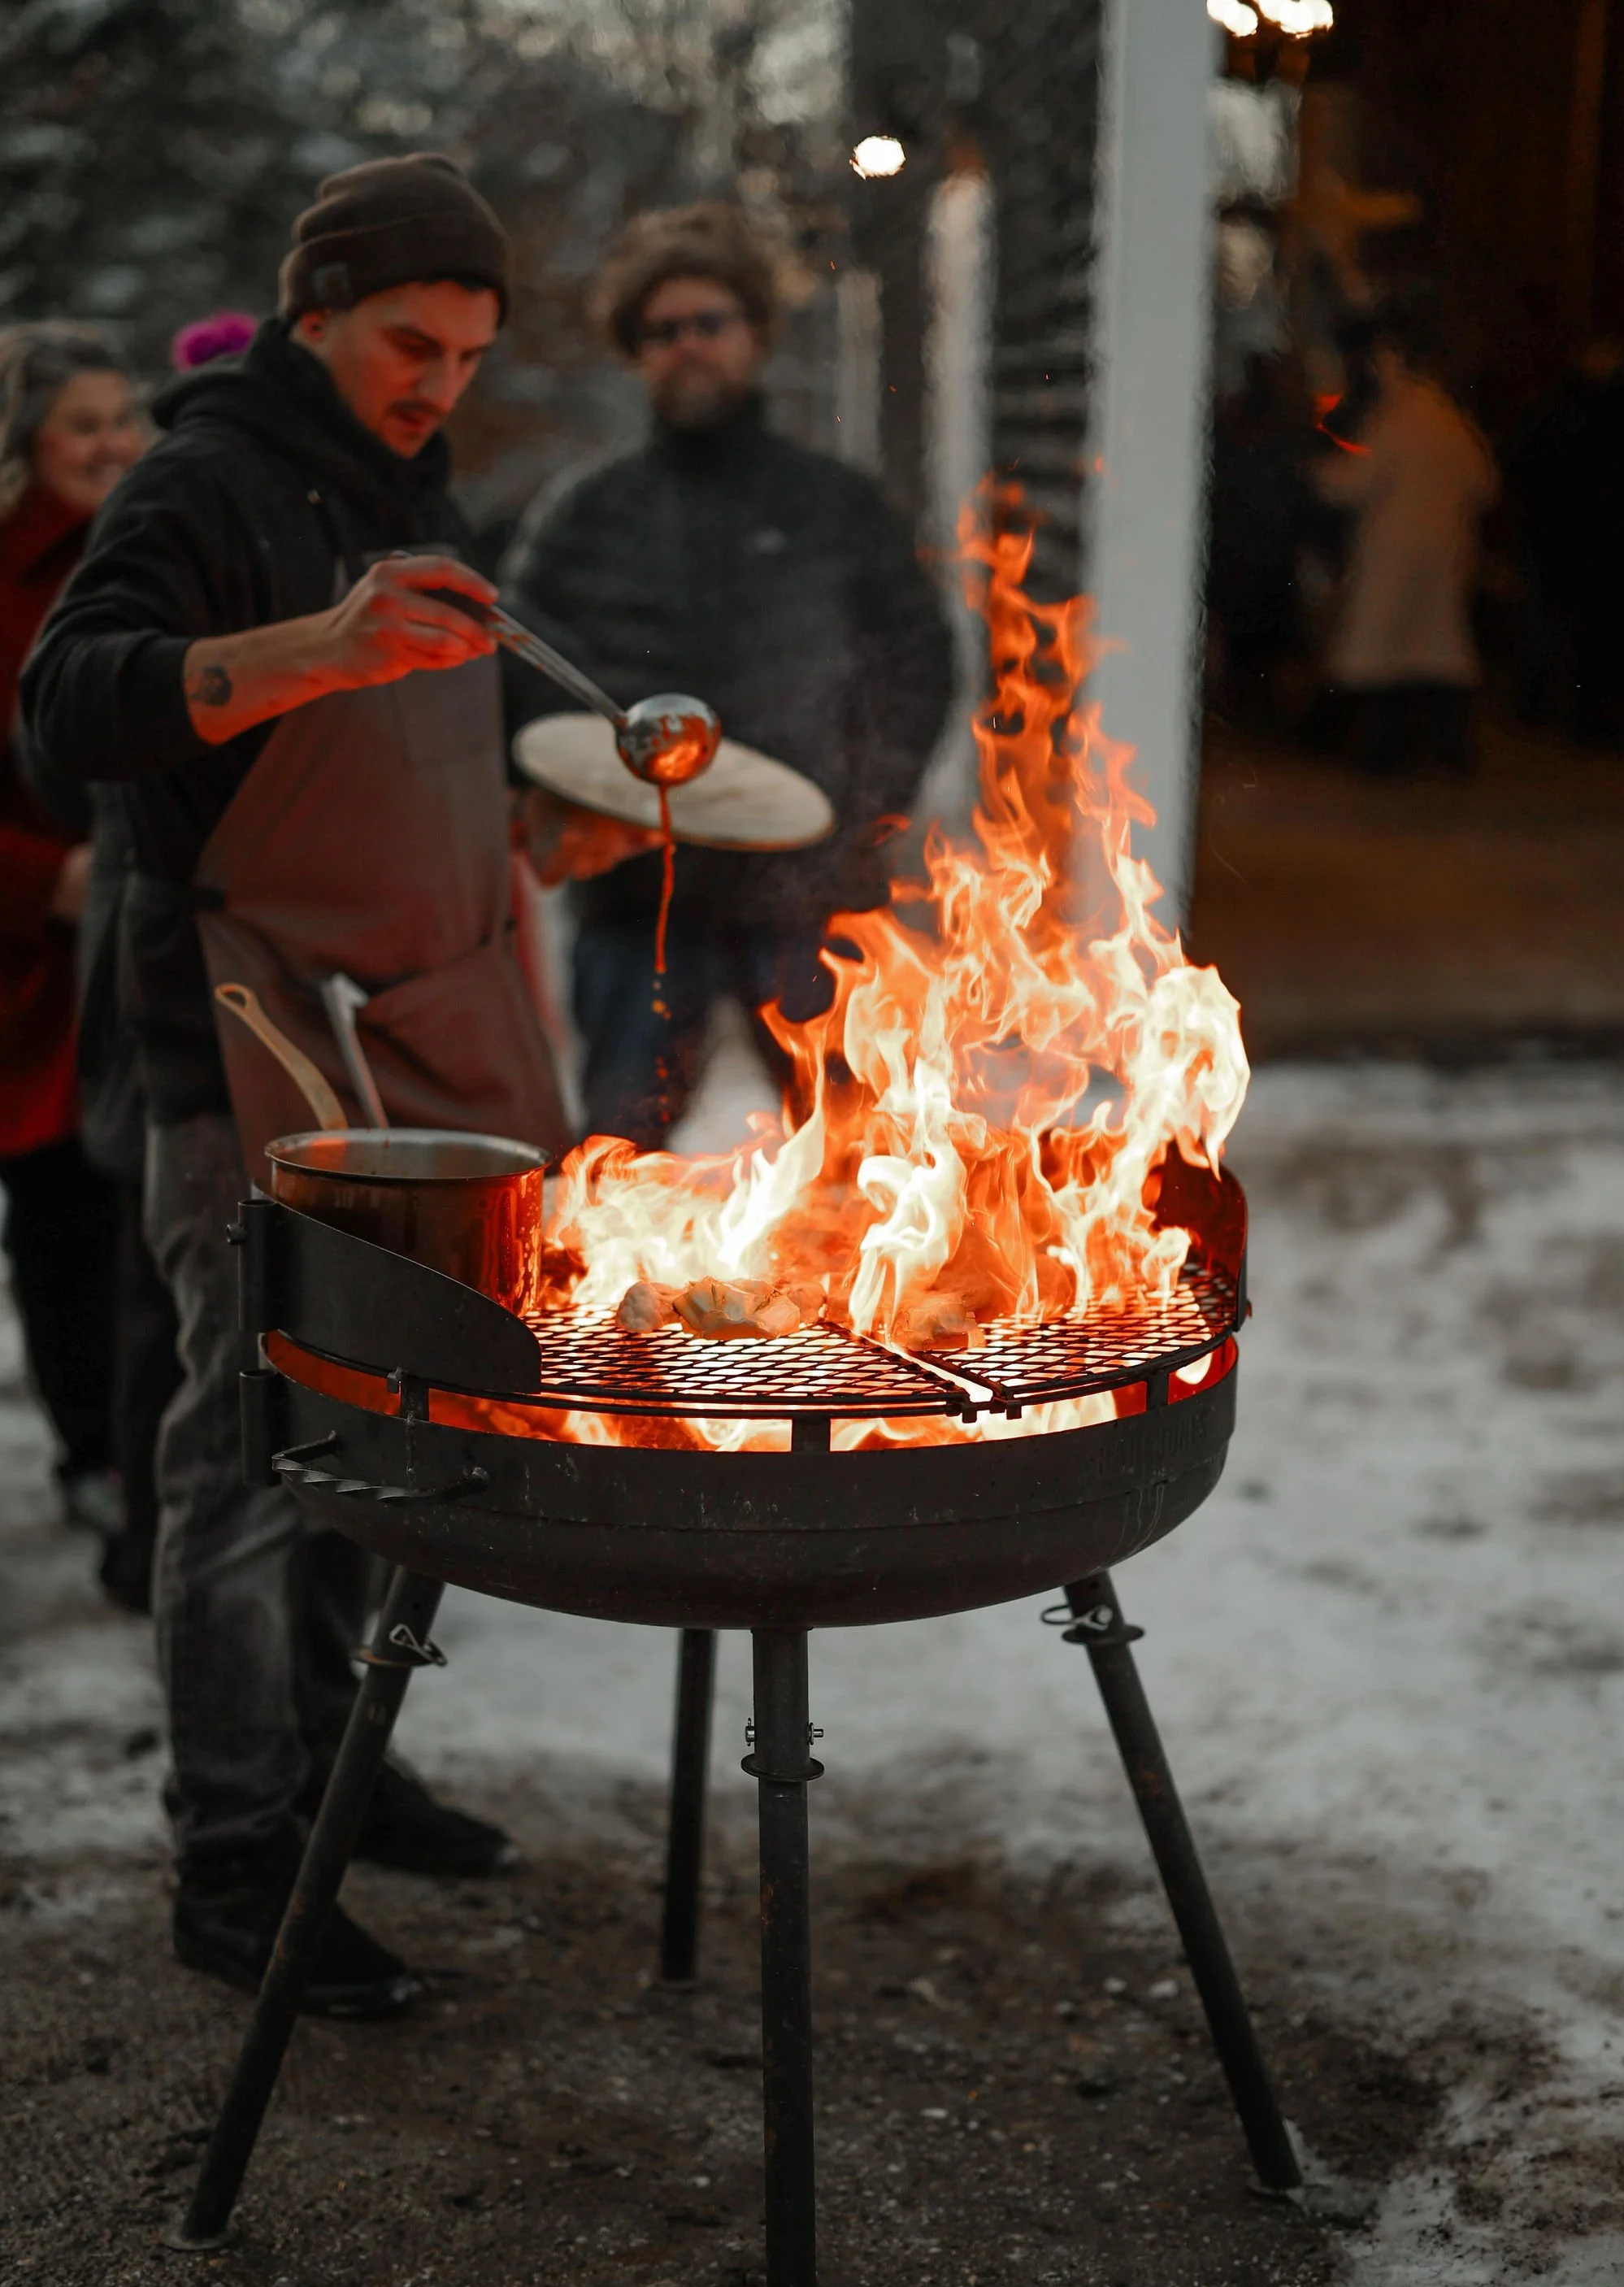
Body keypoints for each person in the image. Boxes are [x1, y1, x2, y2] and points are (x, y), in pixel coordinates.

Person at [23, 154, 621, 2015]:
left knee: (376, 1422)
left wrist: (542, 817)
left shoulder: (404, 481)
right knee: (239, 1457)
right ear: (313, 313)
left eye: (466, 352)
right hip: (233, 1043)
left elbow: (408, 753)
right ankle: (235, 1855)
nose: (438, 379)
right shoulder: (199, 480)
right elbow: (61, 710)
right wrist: (312, 648)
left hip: (396, 1036)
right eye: (408, 340)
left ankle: (343, 1772)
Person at [504, 201, 955, 1147]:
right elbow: (520, 672)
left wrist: (858, 810)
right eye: (662, 332)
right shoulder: (585, 515)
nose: (688, 348)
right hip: (636, 900)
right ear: (635, 350)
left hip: (805, 892)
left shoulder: (836, 506)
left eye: (710, 323)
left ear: (754, 334)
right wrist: (571, 806)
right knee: (612, 1165)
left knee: (850, 1162)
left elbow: (917, 663)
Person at [0, 324, 143, 1546]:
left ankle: (136, 1453)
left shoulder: (152, 556)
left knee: (131, 1208)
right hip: (29, 962)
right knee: (55, 1208)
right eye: (84, 422)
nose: (114, 444)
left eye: (125, 419)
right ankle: (89, 1447)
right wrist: (43, 880)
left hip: (142, 942)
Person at [1316, 310, 1496, 776]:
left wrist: (1318, 473)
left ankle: (1384, 755)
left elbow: (1351, 484)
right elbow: (1485, 484)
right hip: (1442, 554)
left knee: (1384, 660)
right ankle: (1451, 752)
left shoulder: (1394, 422)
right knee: (1439, 656)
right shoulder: (1451, 423)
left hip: (1392, 555)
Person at [1508, 341, 1624, 750]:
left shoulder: (1562, 414)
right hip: (1621, 551)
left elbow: (1528, 469)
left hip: (1568, 544)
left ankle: (1547, 709)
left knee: (1560, 632)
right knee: (1611, 641)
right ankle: (1598, 719)